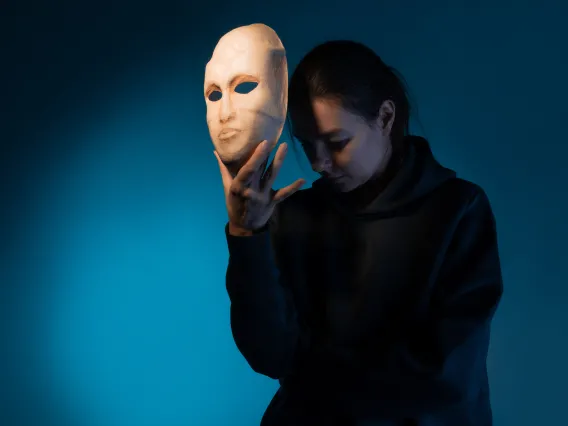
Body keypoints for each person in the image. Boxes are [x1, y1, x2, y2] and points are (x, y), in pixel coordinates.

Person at [213, 40, 503, 425]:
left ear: (385, 118)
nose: (318, 163)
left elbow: (445, 375)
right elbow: (268, 355)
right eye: (306, 145)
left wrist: (309, 373)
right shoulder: (293, 216)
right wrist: (247, 235)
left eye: (337, 143)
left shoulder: (457, 210)